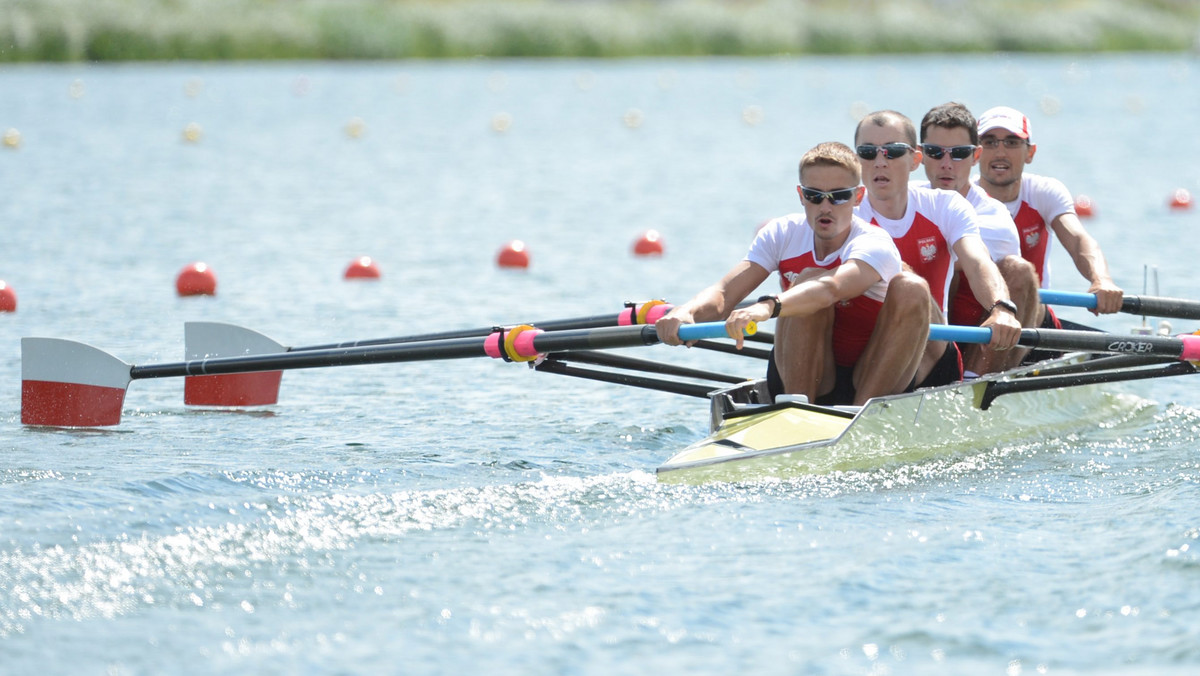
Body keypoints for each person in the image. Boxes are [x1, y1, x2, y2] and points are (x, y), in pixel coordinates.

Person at [655, 141, 922, 406]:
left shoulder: (874, 242)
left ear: (858, 197)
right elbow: (725, 293)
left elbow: (831, 287)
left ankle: (862, 417)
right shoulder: (782, 233)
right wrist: (685, 312)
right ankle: (796, 409)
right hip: (808, 375)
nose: (825, 207)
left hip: (872, 376)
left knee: (910, 287)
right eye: (814, 195)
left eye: (839, 196)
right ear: (801, 195)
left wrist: (767, 307)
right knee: (807, 279)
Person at [852, 109, 1021, 387]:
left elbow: (978, 261)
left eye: (892, 152)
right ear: (857, 159)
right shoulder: (841, 211)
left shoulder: (946, 206)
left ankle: (857, 415)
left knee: (907, 286)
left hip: (930, 349)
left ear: (914, 159)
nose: (880, 162)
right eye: (869, 153)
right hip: (862, 347)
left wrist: (1001, 307)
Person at [973, 106, 1124, 329]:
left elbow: (1078, 240)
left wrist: (1101, 279)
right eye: (990, 142)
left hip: (1034, 320)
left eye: (1012, 142)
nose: (1000, 152)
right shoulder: (959, 200)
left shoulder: (1043, 192)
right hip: (976, 314)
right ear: (976, 153)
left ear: (1030, 153)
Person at [918, 102, 1040, 374]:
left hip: (976, 331)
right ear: (920, 155)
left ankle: (975, 379)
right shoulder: (903, 200)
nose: (947, 164)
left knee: (1018, 271)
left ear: (975, 156)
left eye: (959, 154)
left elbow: (953, 261)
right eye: (936, 153)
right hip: (926, 329)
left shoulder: (992, 215)